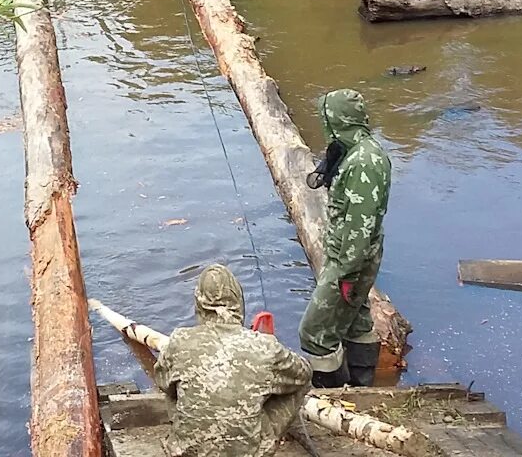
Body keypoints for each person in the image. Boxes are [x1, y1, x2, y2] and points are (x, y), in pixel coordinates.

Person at [153, 264, 312, 457]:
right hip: (249, 453)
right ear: (238, 300)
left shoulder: (179, 340)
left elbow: (162, 381)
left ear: (198, 303)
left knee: (171, 386)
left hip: (187, 451)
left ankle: (190, 436)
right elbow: (303, 373)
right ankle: (257, 435)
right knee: (296, 383)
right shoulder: (264, 346)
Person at [297, 88, 391, 388]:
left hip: (348, 263)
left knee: (314, 333)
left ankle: (334, 396)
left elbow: (359, 227)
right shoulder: (358, 152)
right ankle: (362, 389)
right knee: (356, 323)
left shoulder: (363, 163)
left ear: (337, 121)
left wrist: (345, 275)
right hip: (356, 260)